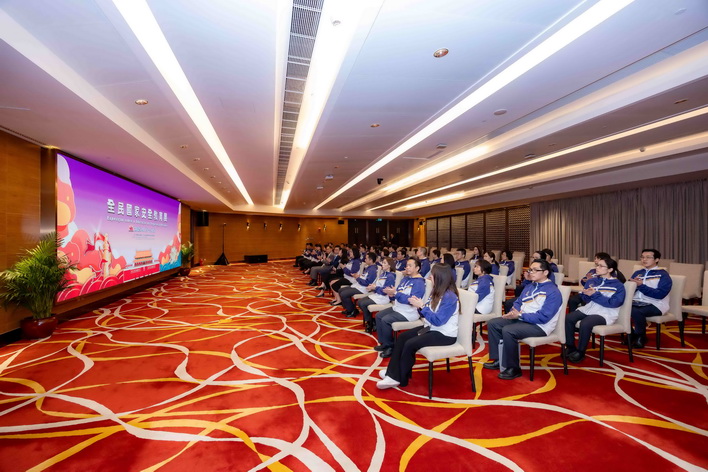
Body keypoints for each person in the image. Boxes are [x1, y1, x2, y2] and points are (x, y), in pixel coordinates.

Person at [377, 264, 460, 390]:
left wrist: (422, 306)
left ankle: (399, 378)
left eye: (433, 275)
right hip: (431, 328)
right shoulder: (436, 292)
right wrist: (418, 306)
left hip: (444, 334)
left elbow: (438, 321)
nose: (430, 277)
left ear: (440, 277)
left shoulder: (450, 297)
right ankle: (392, 373)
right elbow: (427, 314)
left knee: (410, 344)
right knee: (403, 337)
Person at [484, 259, 562, 380]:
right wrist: (514, 311)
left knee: (508, 330)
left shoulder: (553, 291)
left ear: (546, 272)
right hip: (523, 319)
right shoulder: (530, 286)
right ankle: (499, 359)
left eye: (535, 270)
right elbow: (518, 302)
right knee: (494, 323)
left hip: (540, 326)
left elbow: (544, 317)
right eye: (530, 270)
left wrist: (520, 316)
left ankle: (514, 368)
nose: (531, 272)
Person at [565, 256, 626, 362]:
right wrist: (587, 295)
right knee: (568, 318)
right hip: (590, 308)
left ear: (610, 269)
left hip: (606, 312)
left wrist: (595, 295)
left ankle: (580, 352)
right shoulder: (592, 281)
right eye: (597, 265)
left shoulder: (618, 285)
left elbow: (614, 303)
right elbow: (585, 299)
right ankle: (570, 347)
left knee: (585, 323)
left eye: (601, 266)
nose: (597, 267)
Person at [374, 258, 426, 358]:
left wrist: (396, 294)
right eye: (406, 265)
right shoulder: (406, 278)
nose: (407, 267)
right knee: (378, 316)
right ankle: (384, 343)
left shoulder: (419, 283)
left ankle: (390, 347)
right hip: (399, 308)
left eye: (410, 266)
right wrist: (392, 294)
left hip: (409, 312)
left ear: (417, 268)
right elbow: (398, 292)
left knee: (385, 320)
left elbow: (411, 300)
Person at [629, 249, 672, 348]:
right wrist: (631, 285)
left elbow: (660, 294)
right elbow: (630, 290)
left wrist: (641, 286)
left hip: (656, 304)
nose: (644, 259)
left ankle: (640, 336)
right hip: (637, 302)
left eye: (648, 257)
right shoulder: (638, 273)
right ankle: (631, 334)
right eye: (642, 257)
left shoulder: (663, 275)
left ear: (657, 259)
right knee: (619, 307)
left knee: (635, 311)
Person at [359, 257, 396, 333]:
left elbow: (385, 291)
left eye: (384, 263)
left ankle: (370, 323)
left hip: (384, 297)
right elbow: (378, 285)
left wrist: (375, 288)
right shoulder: (383, 274)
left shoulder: (390, 276)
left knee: (363, 303)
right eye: (383, 262)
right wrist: (372, 287)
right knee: (360, 302)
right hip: (377, 295)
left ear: (389, 265)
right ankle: (371, 321)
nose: (382, 264)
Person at [338, 252, 378, 317]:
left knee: (344, 294)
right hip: (360, 285)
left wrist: (357, 278)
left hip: (364, 288)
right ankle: (349, 308)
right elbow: (364, 277)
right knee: (340, 290)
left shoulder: (372, 270)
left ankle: (352, 311)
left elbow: (367, 283)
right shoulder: (369, 267)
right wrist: (358, 276)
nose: (365, 260)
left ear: (371, 260)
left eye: (366, 258)